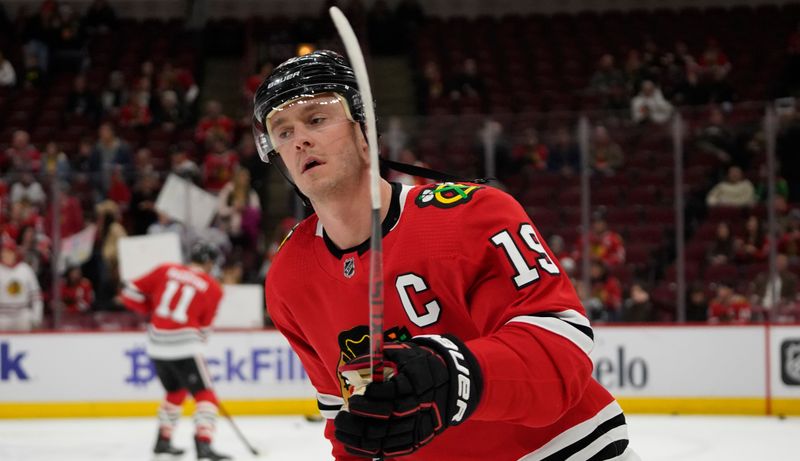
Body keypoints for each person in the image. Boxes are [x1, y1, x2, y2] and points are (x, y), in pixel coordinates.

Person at [254, 50, 637, 460]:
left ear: (363, 127)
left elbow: (561, 359)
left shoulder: (473, 215)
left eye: (316, 119)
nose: (300, 140)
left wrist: (452, 375)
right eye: (282, 131)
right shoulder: (289, 278)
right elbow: (350, 421)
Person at [119, 242, 230, 461]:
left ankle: (163, 440)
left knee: (175, 391)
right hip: (185, 345)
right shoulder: (213, 287)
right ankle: (204, 443)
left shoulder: (166, 270)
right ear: (209, 263)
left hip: (156, 343)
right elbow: (205, 332)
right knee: (205, 395)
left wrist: (153, 311)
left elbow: (128, 292)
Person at [0, 237, 43, 331]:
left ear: (15, 253)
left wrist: (37, 317)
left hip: (22, 315)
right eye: (4, 252)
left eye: (9, 252)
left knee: (26, 321)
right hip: (2, 316)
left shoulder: (25, 269)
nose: (6, 255)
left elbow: (36, 296)